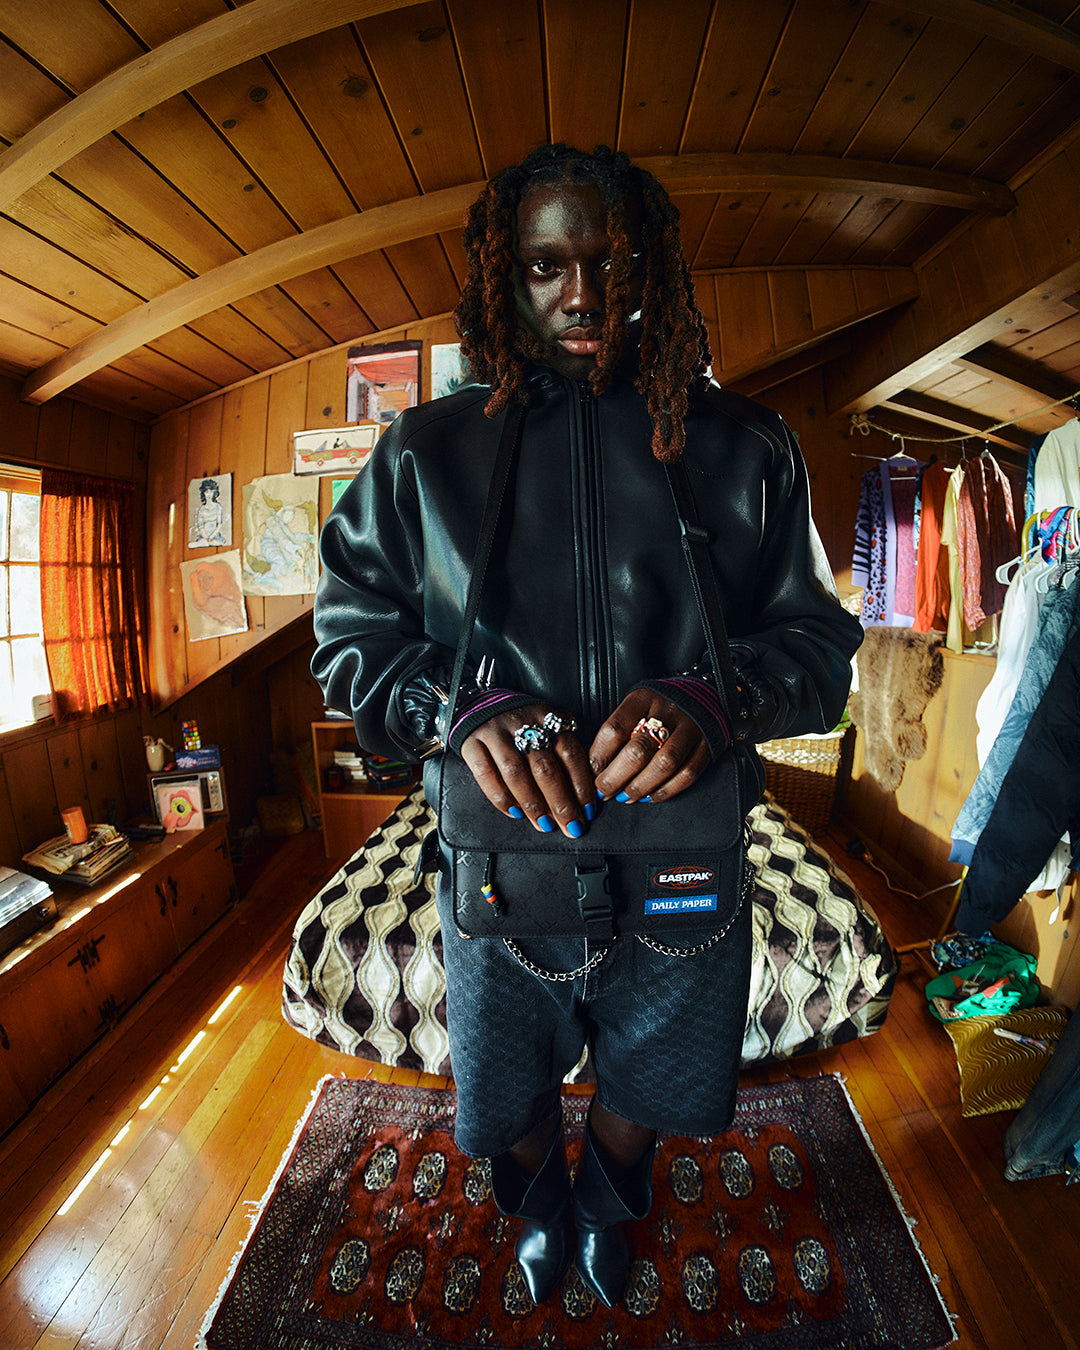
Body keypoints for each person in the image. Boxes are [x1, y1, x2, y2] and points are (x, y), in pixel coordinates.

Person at [312, 143, 862, 1310]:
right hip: (499, 858)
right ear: (506, 278)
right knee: (505, 1080)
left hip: (685, 850)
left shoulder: (750, 447)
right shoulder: (421, 456)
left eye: (610, 262)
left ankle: (610, 1200)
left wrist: (717, 698)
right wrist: (459, 706)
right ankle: (538, 1203)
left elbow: (820, 648)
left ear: (650, 266)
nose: (582, 294)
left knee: (655, 1067)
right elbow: (348, 640)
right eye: (545, 265)